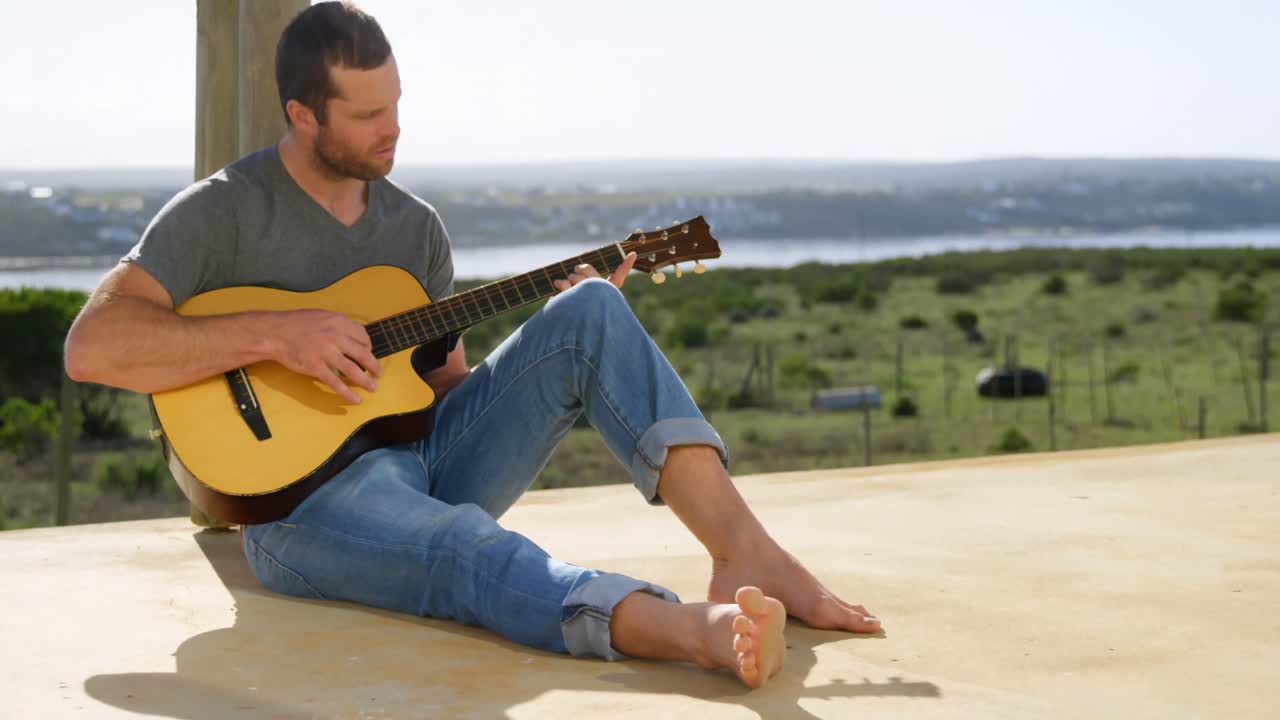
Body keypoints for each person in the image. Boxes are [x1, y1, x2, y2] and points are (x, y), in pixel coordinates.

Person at [63, 1, 880, 689]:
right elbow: (93, 347)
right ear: (304, 116)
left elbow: (439, 396)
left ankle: (743, 552)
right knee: (461, 545)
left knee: (590, 307)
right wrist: (278, 333)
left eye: (396, 104)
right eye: (367, 115)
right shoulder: (223, 211)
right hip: (299, 514)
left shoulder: (414, 229)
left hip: (420, 464)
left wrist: (550, 343)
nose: (393, 130)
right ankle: (679, 629)